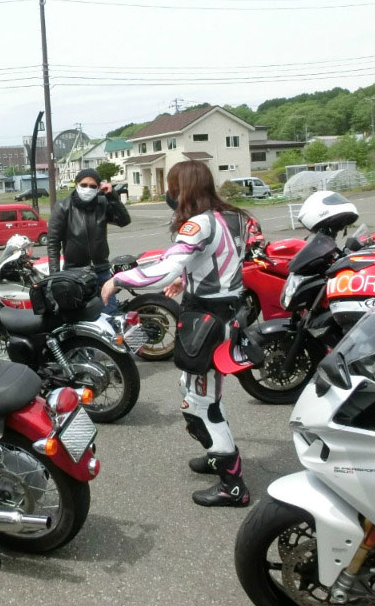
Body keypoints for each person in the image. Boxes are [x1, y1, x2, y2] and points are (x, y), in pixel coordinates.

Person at [100, 160, 250, 507]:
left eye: (171, 187)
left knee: (199, 403)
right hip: (226, 313)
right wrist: (188, 279)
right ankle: (218, 455)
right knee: (203, 392)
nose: (169, 194)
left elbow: (164, 269)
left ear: (183, 189)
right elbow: (223, 260)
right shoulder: (234, 216)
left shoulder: (198, 224)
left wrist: (118, 280)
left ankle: (233, 484)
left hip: (209, 319)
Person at [47, 168, 131, 313]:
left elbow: (124, 221)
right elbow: (53, 243)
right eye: (84, 185)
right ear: (76, 184)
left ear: (98, 188)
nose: (88, 189)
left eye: (93, 186)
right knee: (81, 316)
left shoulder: (102, 203)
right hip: (75, 273)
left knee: (109, 313)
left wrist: (112, 196)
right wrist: (55, 277)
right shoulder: (63, 207)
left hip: (101, 271)